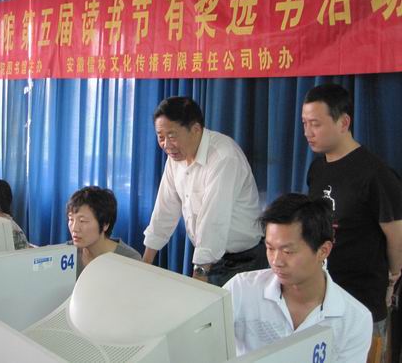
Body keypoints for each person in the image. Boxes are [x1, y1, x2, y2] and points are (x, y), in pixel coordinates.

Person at [303, 84, 402, 342]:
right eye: (304, 124)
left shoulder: (376, 174)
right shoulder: (317, 169)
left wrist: (391, 282)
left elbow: (397, 238)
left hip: (362, 300)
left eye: (315, 124)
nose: (307, 132)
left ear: (344, 122)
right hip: (322, 297)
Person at [224, 193, 373, 362]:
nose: (276, 261)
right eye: (270, 248)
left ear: (323, 251)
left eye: (288, 251)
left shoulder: (354, 319)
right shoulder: (241, 289)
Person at [143, 96, 264, 286]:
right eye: (160, 137)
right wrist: (144, 264)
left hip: (243, 261)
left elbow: (213, 221)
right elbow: (164, 210)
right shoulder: (176, 158)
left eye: (172, 136)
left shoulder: (223, 157)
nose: (166, 145)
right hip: (209, 257)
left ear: (196, 129)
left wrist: (200, 276)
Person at [67, 186, 141, 278]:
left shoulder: (130, 260)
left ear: (105, 224)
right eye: (71, 219)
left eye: (82, 221)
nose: (74, 228)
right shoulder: (65, 252)